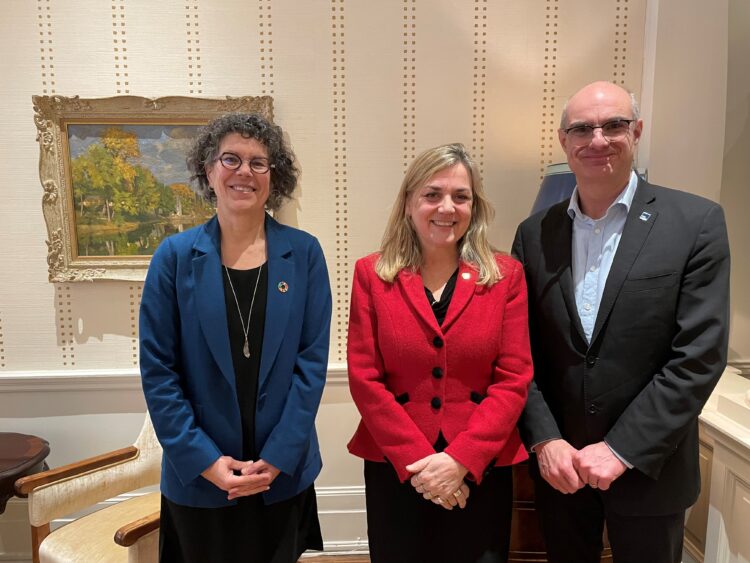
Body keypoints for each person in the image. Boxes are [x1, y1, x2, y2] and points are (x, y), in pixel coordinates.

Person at [512, 81, 730, 563]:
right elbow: (518, 352)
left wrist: (620, 449)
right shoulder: (534, 233)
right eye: (582, 128)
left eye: (613, 125)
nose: (597, 139)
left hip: (650, 469)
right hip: (561, 469)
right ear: (564, 141)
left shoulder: (696, 223)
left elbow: (699, 355)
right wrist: (545, 440)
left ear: (636, 132)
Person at [139, 113, 332, 562]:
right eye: (231, 159)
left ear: (273, 176)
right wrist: (205, 460)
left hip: (280, 470)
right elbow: (158, 371)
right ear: (209, 170)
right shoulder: (174, 257)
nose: (244, 171)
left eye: (259, 163)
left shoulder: (304, 254)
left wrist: (281, 455)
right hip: (200, 475)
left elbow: (311, 365)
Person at [347, 143, 533, 563]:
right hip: (398, 467)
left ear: (474, 206)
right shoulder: (372, 275)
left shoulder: (505, 277)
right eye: (432, 194)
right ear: (409, 203)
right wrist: (423, 465)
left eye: (460, 196)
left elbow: (514, 377)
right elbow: (364, 377)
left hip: (481, 466)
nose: (446, 207)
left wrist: (460, 462)